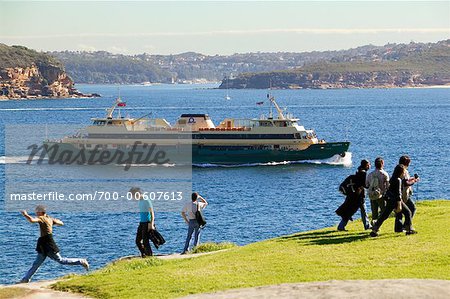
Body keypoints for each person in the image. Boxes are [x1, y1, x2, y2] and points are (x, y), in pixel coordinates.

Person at [20, 205, 89, 283]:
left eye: (37, 211)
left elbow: (32, 220)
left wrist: (25, 214)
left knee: (61, 260)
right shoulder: (49, 219)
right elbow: (61, 223)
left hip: (47, 243)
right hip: (43, 243)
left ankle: (81, 261)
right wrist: (53, 223)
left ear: (41, 212)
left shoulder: (41, 218)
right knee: (36, 263)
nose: (36, 213)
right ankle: (25, 279)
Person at [370, 164, 417, 237]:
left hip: (390, 200)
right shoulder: (398, 180)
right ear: (401, 172)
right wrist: (399, 205)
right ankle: (409, 229)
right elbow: (398, 193)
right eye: (403, 172)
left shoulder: (393, 178)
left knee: (384, 215)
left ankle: (374, 229)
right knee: (408, 212)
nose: (404, 173)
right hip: (396, 200)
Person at [336, 159, 372, 231]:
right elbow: (364, 185)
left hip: (353, 196)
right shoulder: (363, 173)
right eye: (368, 165)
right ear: (366, 165)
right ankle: (367, 226)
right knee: (361, 211)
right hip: (359, 197)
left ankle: (341, 226)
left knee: (350, 211)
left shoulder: (358, 172)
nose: (369, 166)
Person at [395, 155, 420, 232]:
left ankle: (399, 228)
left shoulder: (398, 169)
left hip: (398, 193)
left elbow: (405, 180)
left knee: (399, 212)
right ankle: (407, 225)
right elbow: (406, 183)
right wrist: (414, 181)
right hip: (403, 194)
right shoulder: (404, 171)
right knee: (412, 208)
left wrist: (411, 179)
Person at [131, 187, 155, 258]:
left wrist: (151, 224)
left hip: (147, 222)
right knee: (137, 241)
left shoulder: (146, 199)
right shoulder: (140, 201)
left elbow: (152, 212)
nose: (133, 197)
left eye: (133, 195)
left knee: (145, 241)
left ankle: (149, 256)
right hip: (141, 222)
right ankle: (144, 254)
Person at [366, 157, 389, 225]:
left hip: (372, 195)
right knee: (384, 211)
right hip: (381, 195)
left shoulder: (370, 174)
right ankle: (378, 223)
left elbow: (367, 185)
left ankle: (374, 223)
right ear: (382, 164)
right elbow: (388, 186)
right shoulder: (384, 174)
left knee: (374, 212)